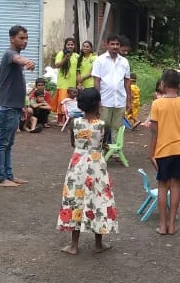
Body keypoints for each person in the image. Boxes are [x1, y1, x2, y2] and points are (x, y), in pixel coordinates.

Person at [57, 88, 118, 255]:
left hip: (77, 165)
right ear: (98, 104)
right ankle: (99, 243)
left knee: (76, 199)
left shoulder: (74, 123)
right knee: (98, 200)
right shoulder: (103, 125)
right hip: (97, 166)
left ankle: (74, 245)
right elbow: (103, 143)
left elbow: (73, 143)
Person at [148, 69, 180, 235]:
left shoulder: (157, 104)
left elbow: (154, 131)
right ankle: (172, 225)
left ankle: (162, 225)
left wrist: (151, 152)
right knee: (175, 186)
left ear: (163, 84)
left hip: (162, 150)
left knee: (162, 187)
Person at [0, 25, 36, 188]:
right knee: (3, 143)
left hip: (15, 106)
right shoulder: (10, 54)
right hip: (8, 107)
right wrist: (27, 61)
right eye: (21, 38)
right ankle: (1, 177)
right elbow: (18, 59)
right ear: (12, 38)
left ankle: (8, 175)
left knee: (8, 144)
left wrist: (23, 106)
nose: (25, 41)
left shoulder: (15, 55)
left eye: (26, 38)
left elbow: (18, 85)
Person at [91, 34, 133, 147]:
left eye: (117, 44)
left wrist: (129, 101)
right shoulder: (100, 61)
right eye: (112, 44)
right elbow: (97, 81)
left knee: (117, 127)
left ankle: (115, 151)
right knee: (103, 126)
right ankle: (99, 149)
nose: (115, 46)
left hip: (120, 100)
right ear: (107, 45)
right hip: (105, 100)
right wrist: (97, 100)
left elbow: (127, 82)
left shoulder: (124, 62)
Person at [53, 37, 79, 112]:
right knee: (62, 101)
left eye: (72, 44)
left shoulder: (76, 56)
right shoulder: (61, 54)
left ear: (74, 46)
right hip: (63, 82)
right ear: (65, 45)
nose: (70, 46)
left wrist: (78, 82)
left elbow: (78, 70)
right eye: (68, 44)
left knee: (70, 103)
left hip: (72, 83)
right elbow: (57, 65)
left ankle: (67, 120)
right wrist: (65, 59)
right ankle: (60, 120)